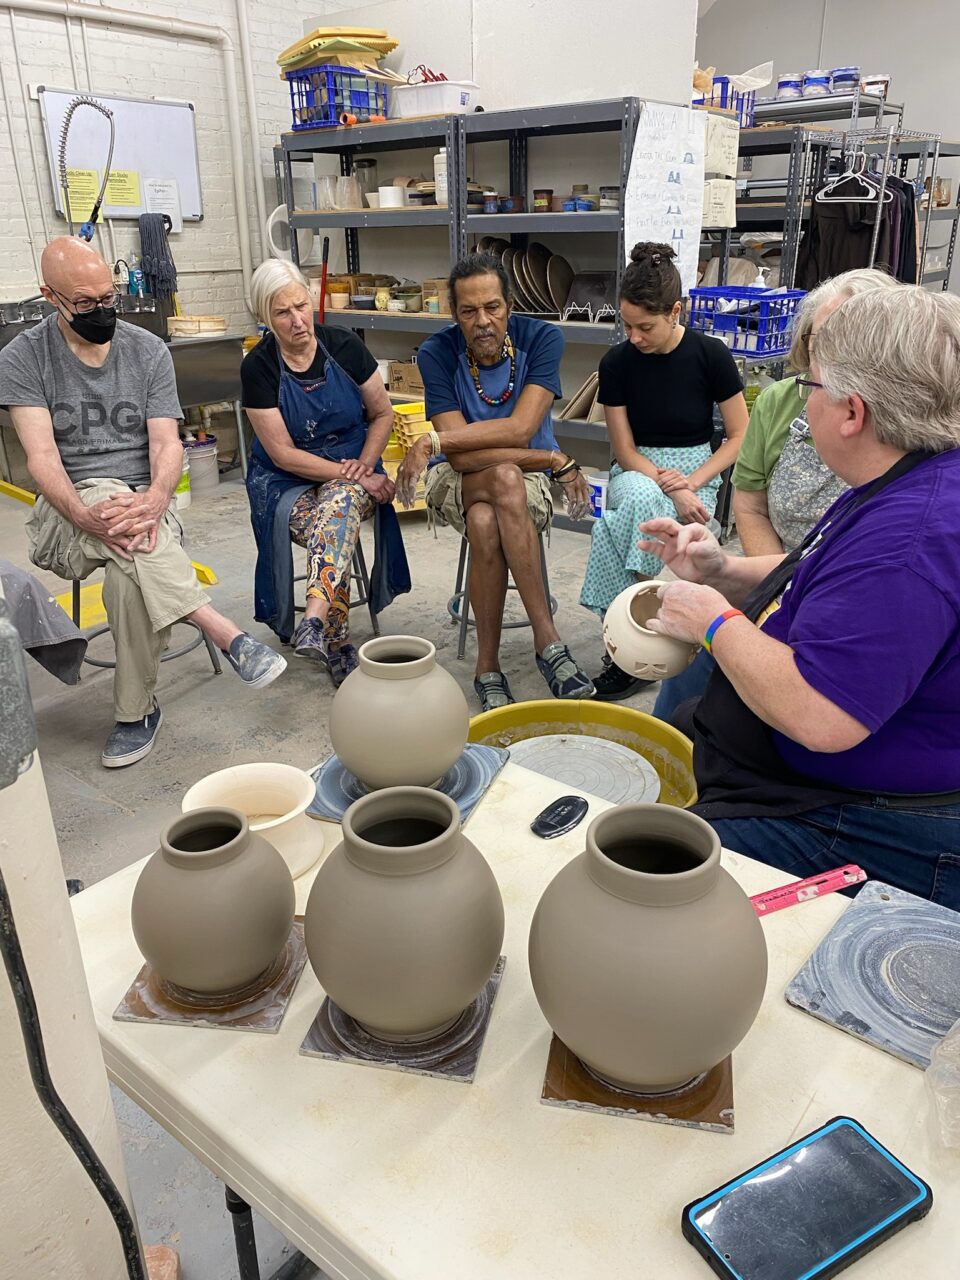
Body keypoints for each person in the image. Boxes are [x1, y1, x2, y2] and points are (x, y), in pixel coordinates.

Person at [638, 285, 960, 909]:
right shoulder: (910, 471)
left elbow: (822, 716)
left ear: (852, 413)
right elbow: (826, 572)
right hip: (836, 773)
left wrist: (715, 622)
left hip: (871, 813)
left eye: (810, 387)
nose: (800, 402)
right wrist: (724, 568)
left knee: (655, 886)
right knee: (682, 727)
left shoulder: (909, 542)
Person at [0, 238, 286, 769]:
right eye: (86, 303)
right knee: (108, 499)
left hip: (146, 510)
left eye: (109, 297)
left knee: (126, 573)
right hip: (67, 515)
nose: (103, 310)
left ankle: (135, 714)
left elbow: (165, 443)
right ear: (49, 297)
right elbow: (42, 460)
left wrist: (156, 499)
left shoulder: (146, 349)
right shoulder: (21, 358)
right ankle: (221, 629)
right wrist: (87, 512)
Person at [654, 267, 902, 726]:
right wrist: (740, 577)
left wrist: (724, 622)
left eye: (843, 346)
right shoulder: (788, 402)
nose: (820, 365)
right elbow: (759, 510)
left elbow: (825, 719)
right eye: (819, 344)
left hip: (828, 617)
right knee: (690, 680)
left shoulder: (902, 495)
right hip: (787, 570)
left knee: (731, 696)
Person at [396, 252, 594, 711]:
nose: (482, 321)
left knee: (487, 519)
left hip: (526, 481)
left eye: (492, 308)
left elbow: (519, 427)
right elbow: (460, 458)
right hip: (457, 478)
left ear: (509, 304)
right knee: (502, 478)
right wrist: (549, 456)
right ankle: (549, 642)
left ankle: (488, 667)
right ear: (454, 315)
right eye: (469, 311)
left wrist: (435, 442)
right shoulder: (436, 353)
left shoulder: (542, 338)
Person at [579, 243, 748, 701]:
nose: (634, 336)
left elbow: (738, 437)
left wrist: (690, 483)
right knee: (636, 499)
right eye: (627, 325)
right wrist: (669, 488)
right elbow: (624, 449)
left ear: (675, 311)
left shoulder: (710, 355)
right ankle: (642, 632)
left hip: (698, 470)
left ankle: (627, 642)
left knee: (612, 527)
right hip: (639, 467)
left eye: (645, 326)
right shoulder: (616, 363)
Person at [241, 261, 409, 683]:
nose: (298, 320)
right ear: (265, 316)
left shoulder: (345, 346)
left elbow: (383, 413)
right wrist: (355, 474)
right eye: (283, 313)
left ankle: (315, 622)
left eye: (301, 306)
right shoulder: (258, 368)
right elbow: (282, 454)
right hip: (286, 482)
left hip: (354, 464)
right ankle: (334, 639)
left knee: (341, 503)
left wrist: (365, 465)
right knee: (337, 515)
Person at [733, 268, 900, 557]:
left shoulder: (912, 420)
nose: (831, 356)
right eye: (821, 340)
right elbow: (751, 506)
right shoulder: (778, 402)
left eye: (849, 342)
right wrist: (777, 588)